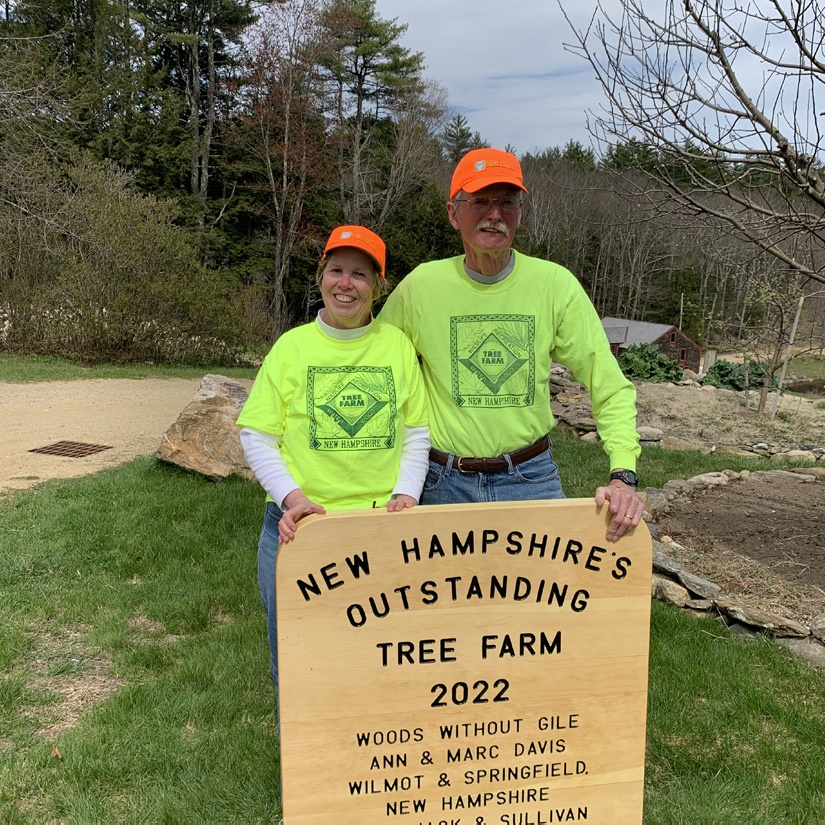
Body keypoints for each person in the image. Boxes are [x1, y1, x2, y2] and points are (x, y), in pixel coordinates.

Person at [379, 147, 644, 542]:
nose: (495, 214)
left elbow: (609, 385)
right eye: (480, 202)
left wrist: (623, 475)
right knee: (442, 586)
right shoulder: (420, 287)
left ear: (520, 211)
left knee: (552, 584)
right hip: (439, 483)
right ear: (453, 213)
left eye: (507, 202)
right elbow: (374, 370)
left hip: (530, 480)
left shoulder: (554, 286)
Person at [237, 225, 430, 689]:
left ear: (378, 287)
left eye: (360, 275)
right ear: (321, 276)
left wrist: (406, 493)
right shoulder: (291, 347)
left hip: (379, 529)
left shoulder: (397, 346)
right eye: (337, 270)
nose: (346, 284)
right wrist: (293, 498)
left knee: (381, 666)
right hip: (300, 529)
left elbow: (416, 432)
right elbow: (257, 435)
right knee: (301, 669)